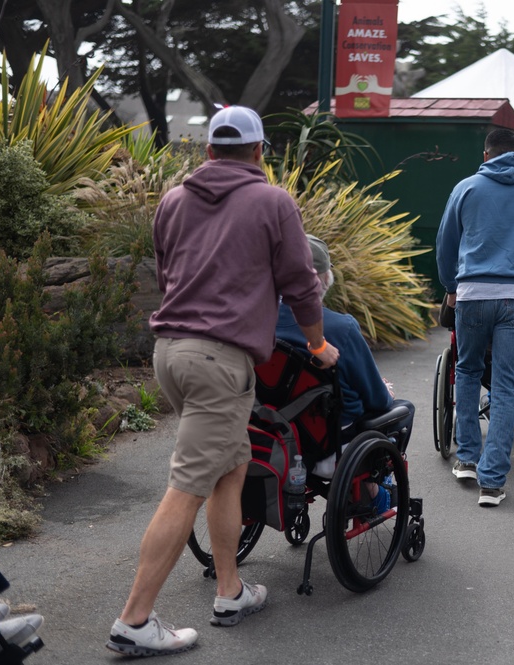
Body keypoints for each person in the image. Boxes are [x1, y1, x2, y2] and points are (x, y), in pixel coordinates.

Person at [108, 106, 338, 658]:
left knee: (230, 469)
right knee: (189, 484)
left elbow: (168, 273)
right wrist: (317, 344)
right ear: (260, 153)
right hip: (220, 362)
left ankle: (231, 591)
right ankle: (134, 620)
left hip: (170, 353)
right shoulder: (272, 201)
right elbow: (301, 284)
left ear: (208, 151)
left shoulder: (172, 200)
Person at [436, 128, 514, 507]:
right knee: (507, 386)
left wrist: (451, 285)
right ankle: (492, 483)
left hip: (472, 293)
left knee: (469, 370)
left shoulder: (466, 188)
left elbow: (446, 245)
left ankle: (468, 459)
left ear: (485, 153)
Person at [275, 235, 415, 478]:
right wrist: (385, 390)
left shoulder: (258, 322)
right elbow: (377, 400)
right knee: (404, 409)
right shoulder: (341, 328)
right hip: (332, 445)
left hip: (276, 436)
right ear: (324, 278)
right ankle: (376, 489)